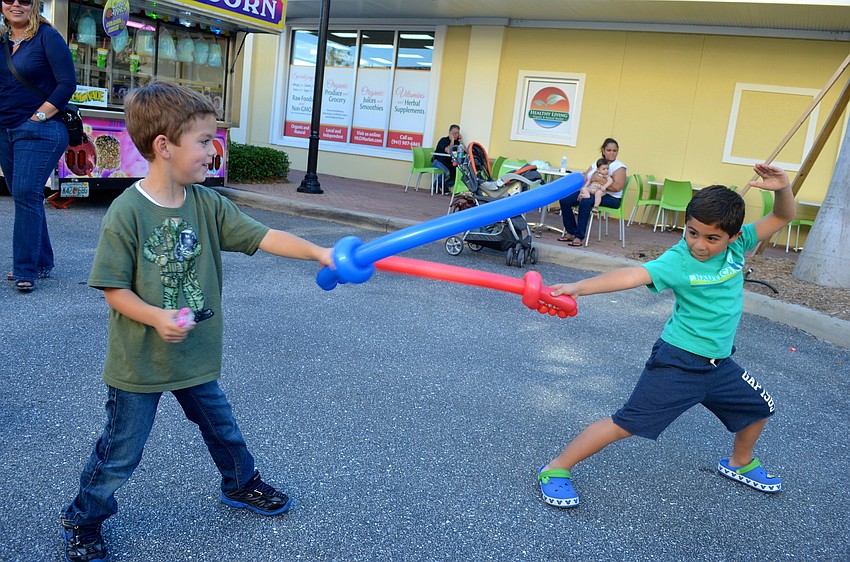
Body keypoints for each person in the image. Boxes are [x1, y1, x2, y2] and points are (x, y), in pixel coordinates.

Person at [59, 81, 334, 562]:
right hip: (139, 364)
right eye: (204, 141)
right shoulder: (126, 213)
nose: (214, 150)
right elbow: (112, 289)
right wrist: (155, 317)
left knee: (222, 427)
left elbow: (265, 236)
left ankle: (240, 482)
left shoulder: (208, 205)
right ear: (164, 147)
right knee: (121, 450)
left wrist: (318, 252)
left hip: (195, 355)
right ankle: (84, 518)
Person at [537, 163, 795, 509]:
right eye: (692, 232)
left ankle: (740, 462)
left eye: (711, 238)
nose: (698, 245)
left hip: (719, 365)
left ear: (733, 236)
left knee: (759, 408)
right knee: (624, 424)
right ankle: (555, 470)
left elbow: (782, 216)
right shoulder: (679, 260)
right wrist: (578, 287)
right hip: (678, 363)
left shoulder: (740, 244)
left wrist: (782, 188)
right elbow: (632, 275)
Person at [0, 0, 76, 292]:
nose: (16, 4)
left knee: (24, 192)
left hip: (40, 129)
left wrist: (38, 116)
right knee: (24, 194)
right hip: (5, 130)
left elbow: (67, 83)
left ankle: (26, 269)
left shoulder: (47, 37)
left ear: (34, 5)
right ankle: (42, 260)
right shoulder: (3, 40)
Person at [557, 138, 627, 247]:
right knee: (565, 200)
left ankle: (579, 237)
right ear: (603, 151)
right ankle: (571, 231)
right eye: (609, 150)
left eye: (615, 150)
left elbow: (617, 187)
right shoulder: (596, 163)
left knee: (585, 201)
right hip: (592, 191)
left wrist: (599, 180)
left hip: (610, 197)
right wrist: (584, 186)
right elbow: (586, 177)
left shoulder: (619, 167)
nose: (612, 153)